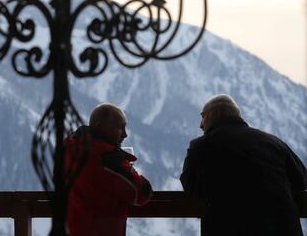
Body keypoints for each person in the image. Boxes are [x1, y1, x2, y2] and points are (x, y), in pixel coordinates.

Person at [180, 94, 307, 236]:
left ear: (215, 114)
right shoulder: (274, 143)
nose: (200, 124)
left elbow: (190, 185)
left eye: (202, 116)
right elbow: (301, 181)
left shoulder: (201, 146)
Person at [65, 102, 153, 236]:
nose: (125, 134)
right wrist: (127, 167)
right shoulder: (108, 159)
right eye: (120, 128)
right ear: (101, 127)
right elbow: (141, 193)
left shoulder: (68, 150)